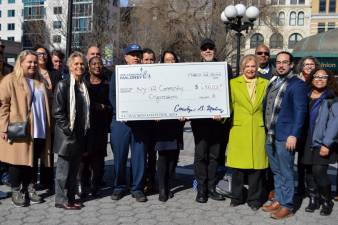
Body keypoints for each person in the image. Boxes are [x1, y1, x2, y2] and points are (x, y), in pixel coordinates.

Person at [0, 50, 52, 206]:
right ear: (20, 62)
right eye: (29, 62)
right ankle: (16, 190)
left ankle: (29, 187)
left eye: (35, 62)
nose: (33, 65)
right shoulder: (10, 80)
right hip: (19, 127)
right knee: (17, 162)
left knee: (32, 160)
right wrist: (3, 127)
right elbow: (3, 105)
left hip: (39, 127)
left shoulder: (39, 81)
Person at [262, 51, 308, 219]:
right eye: (279, 62)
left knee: (286, 171)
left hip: (285, 136)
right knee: (277, 171)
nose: (281, 65)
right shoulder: (274, 81)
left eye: (284, 62)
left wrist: (294, 135)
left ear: (291, 65)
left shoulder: (297, 84)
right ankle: (279, 200)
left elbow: (301, 111)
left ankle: (287, 205)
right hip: (270, 134)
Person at [226, 54, 269, 210]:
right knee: (237, 168)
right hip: (239, 129)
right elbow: (228, 106)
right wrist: (221, 117)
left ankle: (255, 199)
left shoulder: (265, 83)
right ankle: (236, 197)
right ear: (242, 68)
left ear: (257, 67)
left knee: (257, 168)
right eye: (247, 66)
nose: (250, 69)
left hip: (258, 129)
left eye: (253, 66)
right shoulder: (233, 84)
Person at [109, 43, 148, 202]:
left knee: (139, 157)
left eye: (138, 54)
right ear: (126, 57)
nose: (136, 57)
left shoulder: (146, 73)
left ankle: (137, 188)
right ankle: (119, 187)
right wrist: (122, 111)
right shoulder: (118, 73)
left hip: (140, 122)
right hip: (121, 122)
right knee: (120, 156)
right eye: (133, 55)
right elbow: (113, 96)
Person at [192, 39, 227, 203]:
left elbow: (228, 92)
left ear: (215, 50)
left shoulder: (224, 68)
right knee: (200, 156)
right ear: (200, 52)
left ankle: (212, 188)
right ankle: (201, 189)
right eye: (204, 48)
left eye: (210, 48)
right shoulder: (193, 69)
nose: (207, 51)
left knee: (214, 156)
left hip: (217, 121)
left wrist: (223, 112)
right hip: (199, 122)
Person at [53, 51, 90, 210]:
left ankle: (70, 197)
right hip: (67, 136)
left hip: (80, 134)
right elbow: (58, 112)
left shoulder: (83, 86)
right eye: (76, 64)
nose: (79, 66)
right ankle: (60, 200)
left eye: (82, 63)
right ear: (70, 66)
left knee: (74, 171)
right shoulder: (64, 85)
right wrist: (69, 130)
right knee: (63, 171)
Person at [300, 68, 337, 216]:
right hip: (305, 140)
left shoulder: (331, 98)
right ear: (311, 78)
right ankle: (313, 199)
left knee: (319, 172)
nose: (320, 79)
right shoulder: (305, 95)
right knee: (308, 172)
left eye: (324, 77)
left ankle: (327, 200)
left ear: (328, 80)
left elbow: (335, 123)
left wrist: (327, 143)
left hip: (322, 141)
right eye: (317, 76)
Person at [153, 50, 185, 202]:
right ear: (162, 62)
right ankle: (162, 189)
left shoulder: (182, 78)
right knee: (163, 156)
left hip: (176, 123)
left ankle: (169, 184)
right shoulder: (157, 77)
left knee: (174, 156)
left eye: (172, 59)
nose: (170, 62)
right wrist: (154, 114)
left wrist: (186, 114)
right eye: (167, 59)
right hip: (161, 124)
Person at [80, 56, 111, 197]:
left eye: (100, 63)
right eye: (94, 64)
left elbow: (112, 105)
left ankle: (96, 185)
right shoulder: (83, 82)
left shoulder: (107, 82)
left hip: (101, 125)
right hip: (85, 125)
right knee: (85, 157)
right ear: (89, 66)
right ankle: (84, 185)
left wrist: (104, 106)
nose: (97, 66)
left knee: (98, 158)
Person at [34, 46, 62, 192]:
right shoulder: (32, 73)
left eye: (44, 53)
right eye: (38, 53)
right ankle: (32, 182)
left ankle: (48, 181)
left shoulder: (55, 73)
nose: (42, 56)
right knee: (36, 149)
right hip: (37, 116)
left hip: (52, 117)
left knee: (49, 151)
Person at [141, 48, 157, 194]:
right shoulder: (137, 75)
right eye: (146, 59)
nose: (149, 62)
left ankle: (151, 180)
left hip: (155, 124)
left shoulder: (159, 75)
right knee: (141, 154)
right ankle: (141, 180)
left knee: (152, 154)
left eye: (151, 59)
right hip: (140, 124)